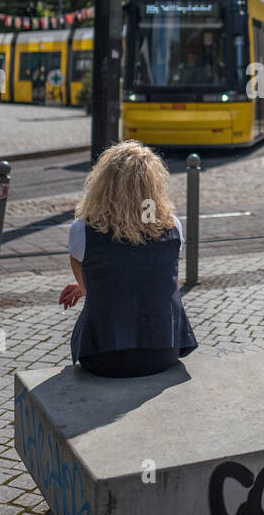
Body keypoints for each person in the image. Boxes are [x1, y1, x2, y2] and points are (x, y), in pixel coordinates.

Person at [59, 141, 198, 377]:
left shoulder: (81, 231)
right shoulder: (173, 227)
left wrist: (85, 286)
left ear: (102, 184)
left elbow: (100, 279)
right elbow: (148, 275)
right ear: (155, 187)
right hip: (164, 351)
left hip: (102, 357)